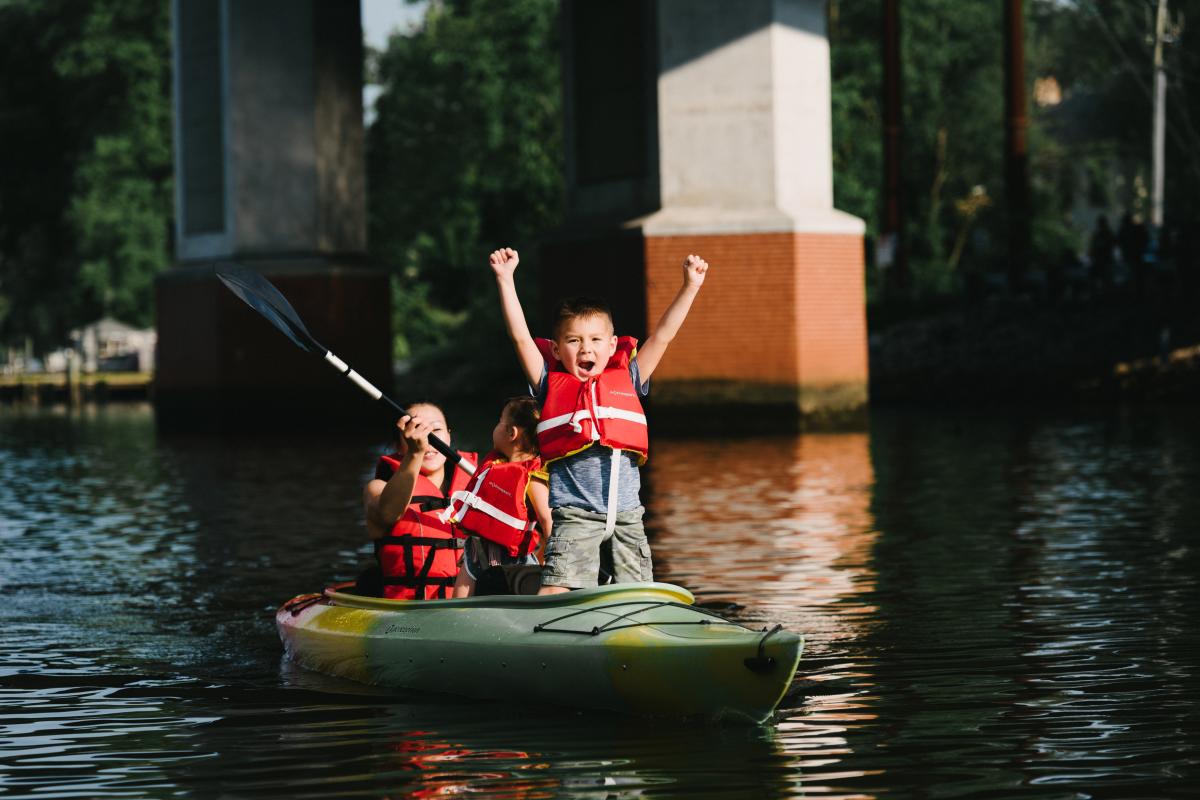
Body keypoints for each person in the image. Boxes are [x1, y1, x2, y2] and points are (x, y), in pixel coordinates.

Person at [489, 246, 709, 594]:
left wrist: (690, 287)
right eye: (574, 341)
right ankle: (548, 637)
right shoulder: (548, 384)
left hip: (628, 519)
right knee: (556, 592)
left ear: (611, 345)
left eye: (595, 340)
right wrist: (505, 280)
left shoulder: (631, 377)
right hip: (576, 517)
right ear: (558, 350)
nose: (586, 349)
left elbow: (664, 335)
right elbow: (519, 336)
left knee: (639, 594)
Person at [362, 403, 478, 600]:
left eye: (436, 430)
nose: (428, 439)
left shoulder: (477, 486)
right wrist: (415, 453)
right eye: (417, 430)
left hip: (470, 606)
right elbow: (389, 514)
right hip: (411, 610)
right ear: (400, 444)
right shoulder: (377, 489)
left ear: (449, 436)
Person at [441, 396, 552, 598]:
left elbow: (548, 521)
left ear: (511, 433)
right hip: (476, 553)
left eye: (500, 421)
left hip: (517, 563)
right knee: (457, 608)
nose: (496, 426)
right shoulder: (496, 467)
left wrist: (553, 565)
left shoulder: (532, 478)